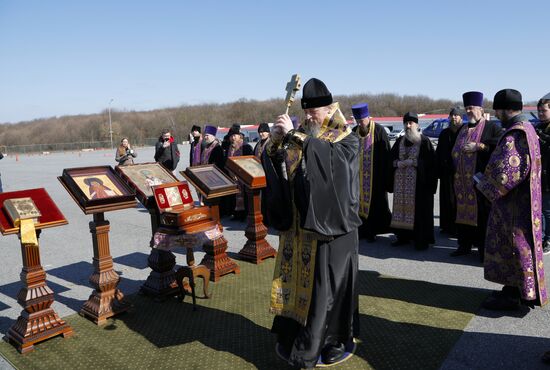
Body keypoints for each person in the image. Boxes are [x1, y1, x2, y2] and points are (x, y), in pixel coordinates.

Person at [263, 78, 360, 368]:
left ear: (329, 108)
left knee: (327, 290)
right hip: (300, 227)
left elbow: (332, 167)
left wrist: (296, 136)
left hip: (332, 229)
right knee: (299, 283)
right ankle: (293, 333)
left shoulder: (346, 138)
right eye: (305, 113)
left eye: (313, 113)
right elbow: (282, 167)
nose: (308, 118)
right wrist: (277, 142)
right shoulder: (303, 133)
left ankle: (333, 340)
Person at [476, 89, 547, 310]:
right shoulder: (530, 129)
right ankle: (518, 290)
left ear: (507, 109)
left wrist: (482, 184)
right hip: (527, 201)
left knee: (513, 247)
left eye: (497, 109)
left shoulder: (515, 134)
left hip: (512, 206)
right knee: (522, 247)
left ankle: (513, 295)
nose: (496, 114)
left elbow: (507, 172)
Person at [450, 92, 502, 261]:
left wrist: (479, 146)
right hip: (463, 182)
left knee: (482, 217)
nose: (469, 111)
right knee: (462, 213)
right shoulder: (463, 129)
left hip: (482, 181)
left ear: (480, 109)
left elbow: (498, 147)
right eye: (467, 108)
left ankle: (483, 251)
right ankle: (464, 245)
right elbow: (455, 150)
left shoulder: (492, 127)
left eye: (472, 108)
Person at [389, 112, 437, 250]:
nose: (408, 126)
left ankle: (420, 239)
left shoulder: (424, 141)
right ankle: (403, 237)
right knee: (402, 211)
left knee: (419, 213)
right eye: (406, 123)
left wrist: (415, 162)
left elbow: (431, 163)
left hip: (419, 186)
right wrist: (397, 163)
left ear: (417, 124)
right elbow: (389, 159)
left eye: (411, 123)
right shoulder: (399, 141)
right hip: (401, 186)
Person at [351, 102, 391, 242]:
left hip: (376, 177)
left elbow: (386, 155)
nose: (360, 123)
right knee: (358, 204)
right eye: (357, 121)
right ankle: (362, 230)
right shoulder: (354, 131)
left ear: (368, 117)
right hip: (358, 177)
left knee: (375, 204)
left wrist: (386, 178)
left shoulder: (379, 130)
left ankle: (374, 230)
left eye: (362, 120)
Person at [435, 108, 463, 236]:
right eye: (452, 115)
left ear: (461, 118)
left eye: (457, 116)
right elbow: (439, 152)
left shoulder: (464, 132)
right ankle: (446, 226)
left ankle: (458, 227)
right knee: (446, 199)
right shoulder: (444, 133)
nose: (454, 118)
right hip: (446, 172)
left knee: (457, 200)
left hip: (461, 172)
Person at [223, 125, 253, 220]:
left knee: (244, 195)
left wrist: (241, 174)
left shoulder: (246, 147)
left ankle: (244, 214)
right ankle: (236, 214)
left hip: (243, 177)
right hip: (232, 175)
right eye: (231, 136)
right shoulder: (229, 148)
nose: (233, 138)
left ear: (240, 136)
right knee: (233, 195)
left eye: (235, 135)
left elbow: (250, 163)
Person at [535, 92, 550, 254]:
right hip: (539, 175)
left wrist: (542, 138)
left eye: (543, 110)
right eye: (539, 111)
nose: (540, 113)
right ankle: (541, 236)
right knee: (539, 209)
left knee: (547, 210)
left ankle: (548, 239)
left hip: (548, 176)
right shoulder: (538, 126)